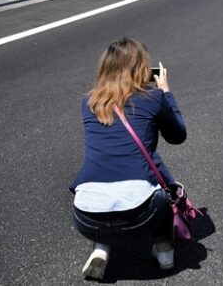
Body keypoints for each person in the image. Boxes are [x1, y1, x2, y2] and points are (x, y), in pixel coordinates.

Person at [70, 37, 187, 280]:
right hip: (140, 216)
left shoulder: (89, 102)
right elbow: (177, 136)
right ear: (142, 69)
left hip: (84, 216)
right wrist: (165, 92)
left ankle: (101, 247)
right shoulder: (152, 99)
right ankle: (164, 250)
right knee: (164, 188)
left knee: (101, 188)